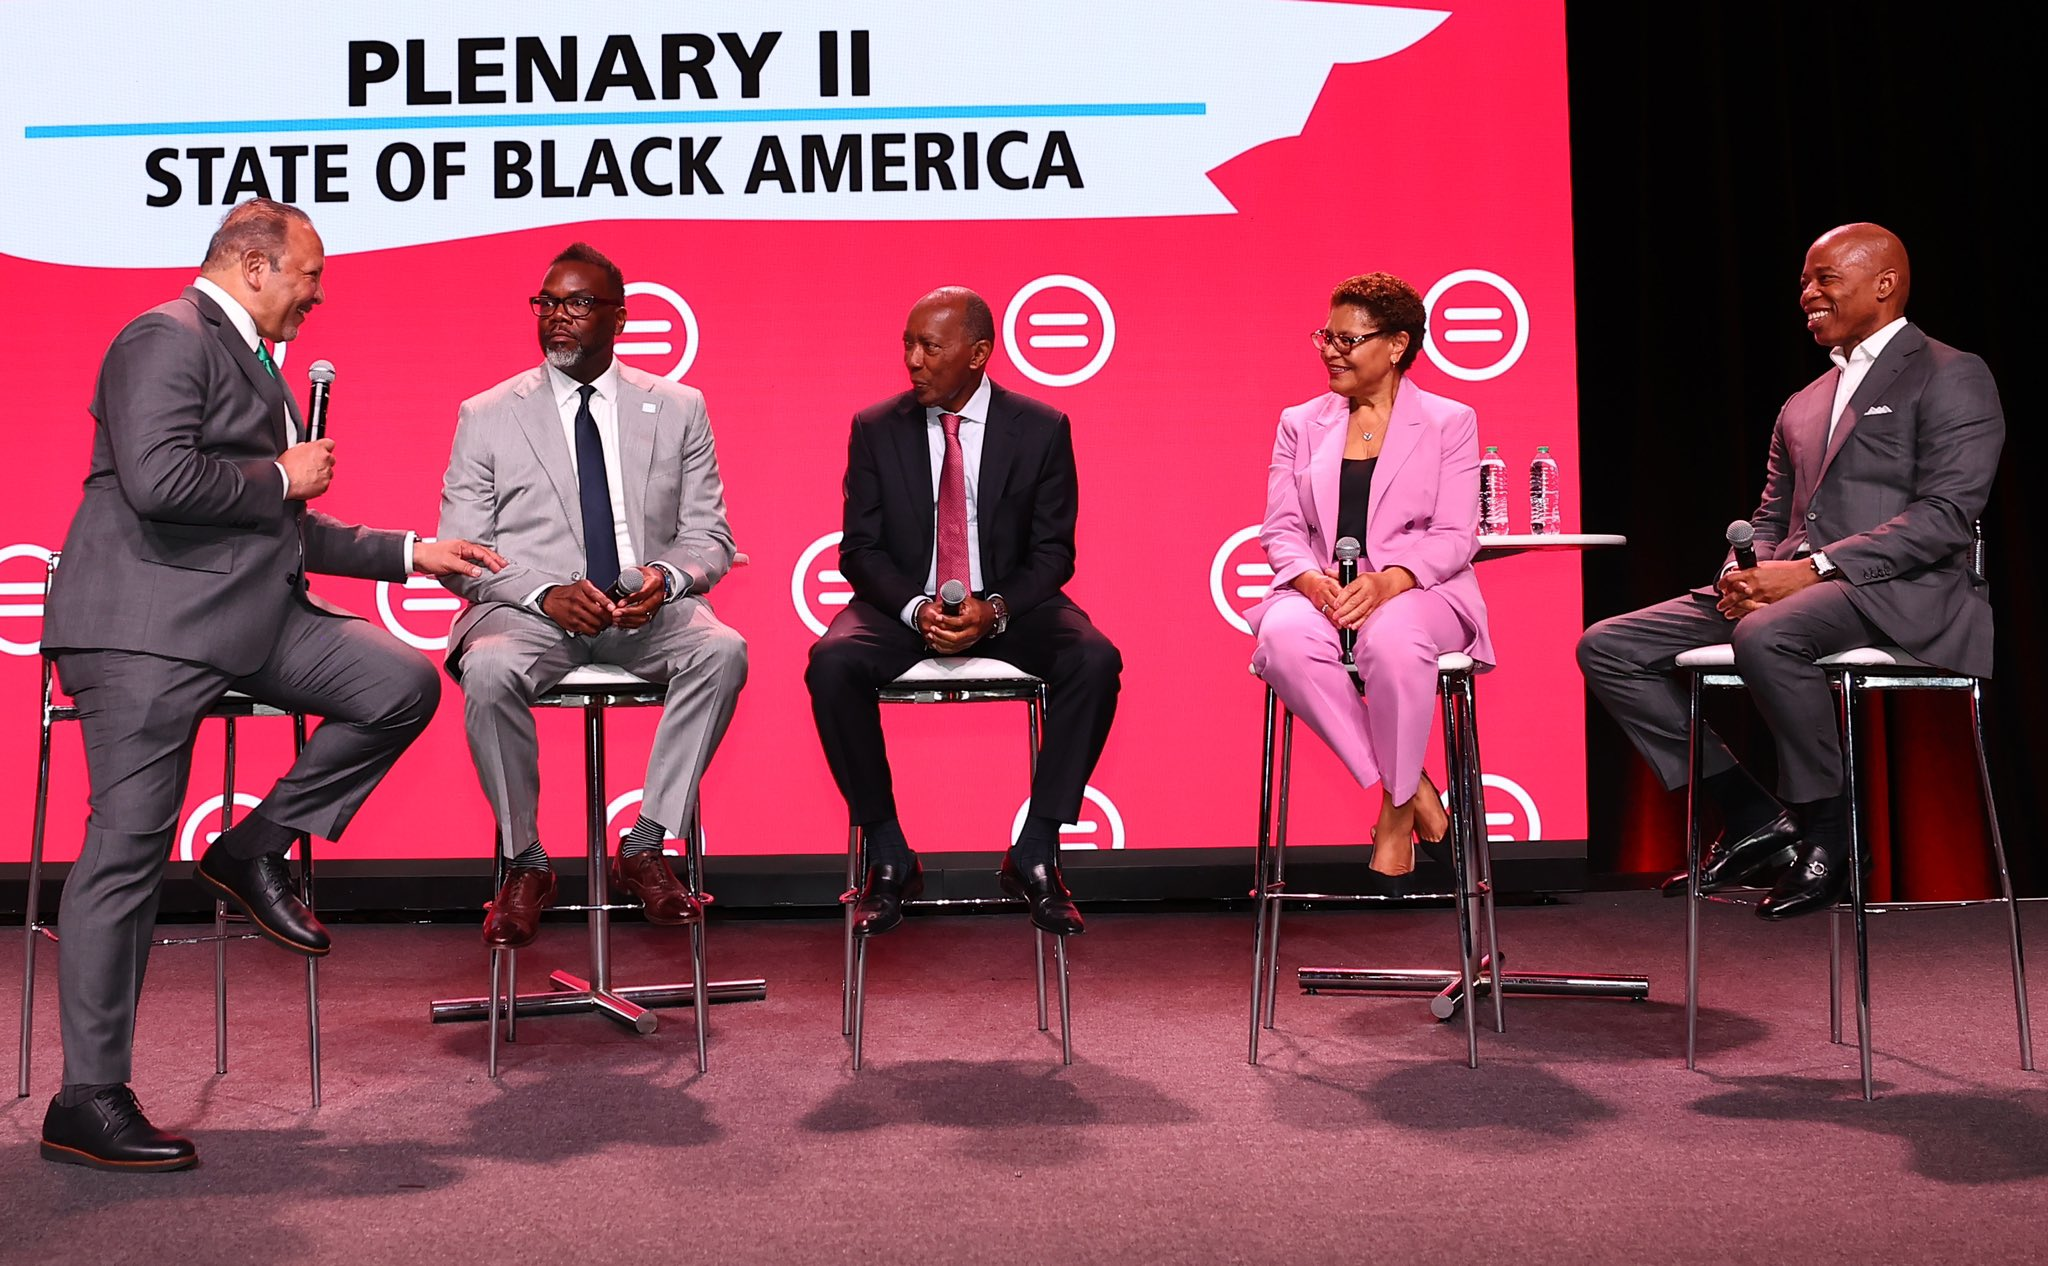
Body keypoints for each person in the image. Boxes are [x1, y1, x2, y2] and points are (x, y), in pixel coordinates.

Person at [36, 199, 504, 1171]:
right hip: (148, 628)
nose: (317, 296)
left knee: (397, 683)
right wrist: (282, 477)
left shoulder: (253, 357)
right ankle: (87, 1098)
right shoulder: (163, 337)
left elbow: (275, 525)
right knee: (127, 848)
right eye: (309, 275)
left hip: (248, 619)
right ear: (254, 266)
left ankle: (249, 850)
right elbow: (161, 482)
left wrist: (413, 553)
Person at [1578, 223, 2004, 918]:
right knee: (1609, 646)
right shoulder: (1803, 403)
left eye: (1824, 279)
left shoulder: (1950, 372)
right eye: (1804, 282)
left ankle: (1832, 835)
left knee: (1768, 634)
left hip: (1903, 588)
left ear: (1884, 283)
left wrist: (1813, 571)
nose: (1807, 294)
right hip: (1799, 589)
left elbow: (1946, 516)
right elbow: (1772, 517)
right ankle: (1750, 811)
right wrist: (1741, 574)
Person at [437, 243, 746, 951]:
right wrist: (544, 594)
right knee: (488, 668)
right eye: (546, 303)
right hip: (529, 613)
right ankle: (527, 862)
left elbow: (710, 537)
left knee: (722, 650)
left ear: (620, 318)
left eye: (577, 303)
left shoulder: (678, 407)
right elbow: (462, 551)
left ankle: (645, 844)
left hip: (644, 610)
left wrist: (664, 578)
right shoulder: (487, 413)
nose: (557, 317)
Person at [806, 286, 1122, 937]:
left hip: (1009, 605)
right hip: (904, 606)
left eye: (929, 346)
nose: (913, 360)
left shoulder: (1041, 427)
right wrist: (914, 607)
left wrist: (995, 610)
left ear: (978, 354)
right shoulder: (875, 428)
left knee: (1094, 660)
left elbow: (1053, 554)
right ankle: (888, 853)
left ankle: (1035, 849)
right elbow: (859, 551)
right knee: (831, 663)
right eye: (907, 345)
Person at [1248, 273, 1493, 883]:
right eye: (1325, 336)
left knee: (1393, 640)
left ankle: (1393, 813)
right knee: (1283, 640)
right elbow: (1281, 528)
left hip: (1420, 590)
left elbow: (1456, 535)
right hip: (1323, 589)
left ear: (1397, 345)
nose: (1330, 351)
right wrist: (1308, 580)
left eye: (1347, 340)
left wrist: (1391, 581)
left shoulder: (1449, 421)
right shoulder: (1299, 422)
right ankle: (1411, 791)